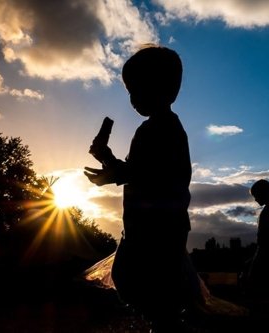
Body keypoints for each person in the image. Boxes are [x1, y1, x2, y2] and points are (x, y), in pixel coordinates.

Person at [84, 44, 192, 331]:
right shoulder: (161, 127)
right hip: (155, 224)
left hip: (155, 225)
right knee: (148, 288)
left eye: (136, 89)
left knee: (137, 281)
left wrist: (108, 167)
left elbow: (143, 172)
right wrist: (107, 161)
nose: (131, 99)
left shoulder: (159, 130)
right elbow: (137, 171)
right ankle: (164, 324)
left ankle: (166, 324)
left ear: (159, 88)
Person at [244, 179, 269, 307]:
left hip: (268, 251)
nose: (255, 199)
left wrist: (259, 253)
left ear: (263, 193)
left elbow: (266, 236)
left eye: (256, 195)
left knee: (260, 280)